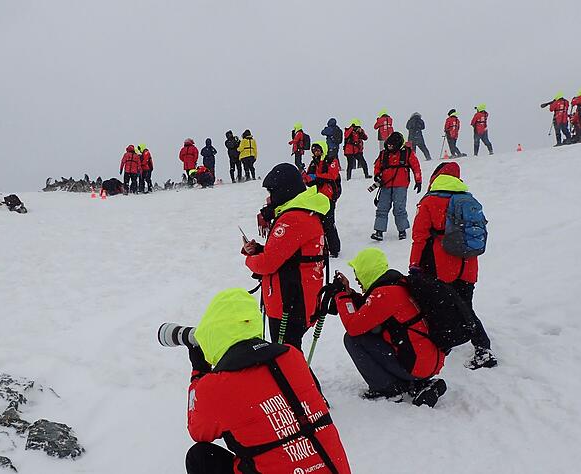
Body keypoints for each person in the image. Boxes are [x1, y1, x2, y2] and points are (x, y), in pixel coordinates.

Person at [185, 289, 351, 474]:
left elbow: (198, 431)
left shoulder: (214, 387)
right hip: (333, 469)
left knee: (200, 457)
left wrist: (199, 373)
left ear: (211, 335)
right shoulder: (292, 356)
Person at [330, 248, 447, 407]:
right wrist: (349, 293)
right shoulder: (396, 285)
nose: (356, 279)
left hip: (416, 365)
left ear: (366, 272)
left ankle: (389, 388)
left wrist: (342, 296)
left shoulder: (384, 295)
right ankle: (417, 383)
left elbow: (353, 327)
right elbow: (368, 311)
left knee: (353, 339)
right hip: (427, 361)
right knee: (372, 332)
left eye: (358, 274)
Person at [410, 162, 498, 370]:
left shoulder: (429, 202)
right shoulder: (469, 199)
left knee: (442, 306)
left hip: (442, 264)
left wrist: (414, 264)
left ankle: (471, 347)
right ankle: (477, 345)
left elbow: (419, 237)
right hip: (468, 263)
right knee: (465, 305)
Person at [243, 163, 329, 350]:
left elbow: (268, 264)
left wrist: (250, 259)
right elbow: (291, 254)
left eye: (272, 192)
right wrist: (259, 249)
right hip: (299, 299)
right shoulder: (305, 211)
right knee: (289, 354)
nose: (270, 198)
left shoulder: (293, 219)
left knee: (286, 357)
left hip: (289, 303)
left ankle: (298, 372)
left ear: (284, 190)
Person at [370, 132, 422, 241]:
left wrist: (418, 181)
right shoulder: (383, 154)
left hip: (401, 185)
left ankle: (402, 231)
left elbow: (416, 166)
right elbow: (377, 166)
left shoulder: (407, 153)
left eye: (391, 145)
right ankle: (379, 231)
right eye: (388, 145)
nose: (389, 147)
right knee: (382, 208)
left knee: (399, 209)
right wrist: (377, 175)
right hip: (385, 185)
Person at [304, 141, 341, 258]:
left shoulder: (331, 160)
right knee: (318, 223)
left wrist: (317, 177)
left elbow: (332, 175)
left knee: (328, 223)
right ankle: (322, 247)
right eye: (314, 151)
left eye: (318, 150)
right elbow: (309, 180)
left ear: (323, 150)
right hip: (316, 197)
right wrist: (306, 177)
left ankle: (334, 249)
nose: (316, 152)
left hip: (329, 196)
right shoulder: (313, 163)